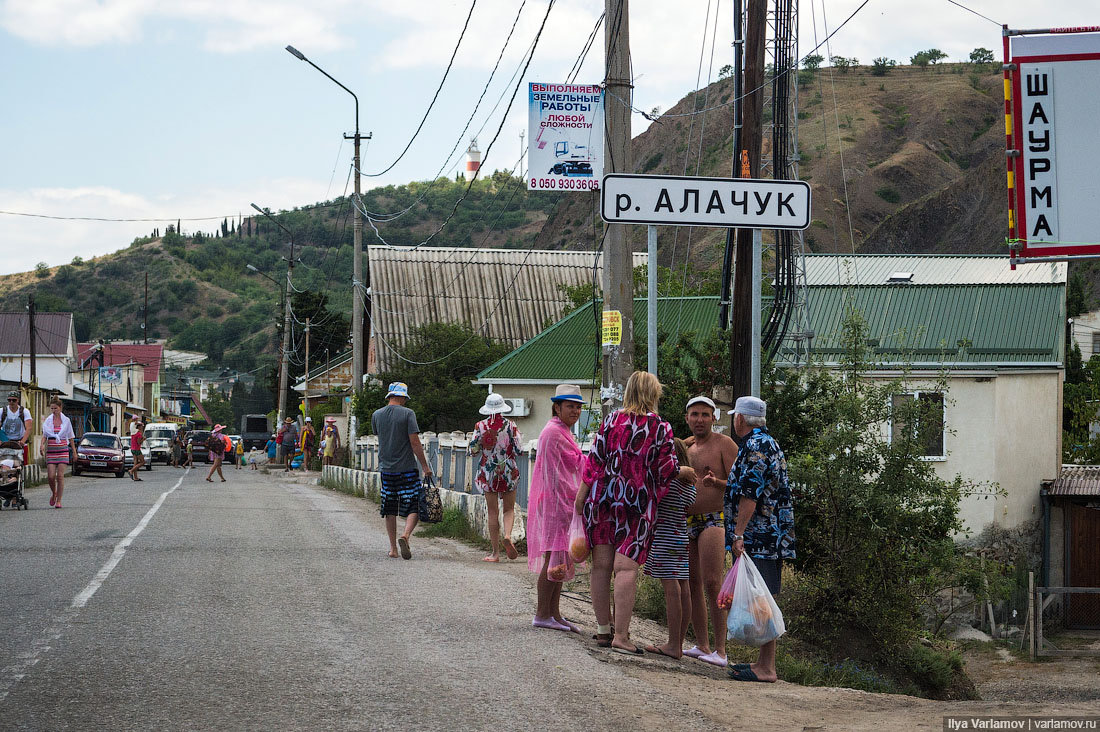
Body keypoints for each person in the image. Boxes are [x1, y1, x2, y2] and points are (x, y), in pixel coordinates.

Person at [575, 371, 692, 654]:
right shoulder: (660, 428)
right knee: (625, 568)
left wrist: (581, 499)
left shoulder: (611, 420)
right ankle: (622, 637)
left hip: (602, 500)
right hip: (636, 506)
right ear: (653, 394)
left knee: (601, 567)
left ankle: (604, 630)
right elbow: (665, 470)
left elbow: (594, 462)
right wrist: (684, 471)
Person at [724, 396, 795, 684]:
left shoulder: (755, 447)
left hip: (761, 536)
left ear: (739, 418)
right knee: (761, 598)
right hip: (769, 535)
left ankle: (767, 667)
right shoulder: (766, 443)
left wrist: (739, 534)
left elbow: (750, 494)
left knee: (763, 598)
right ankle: (763, 662)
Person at [684, 395, 740, 667]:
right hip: (688, 520)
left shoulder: (723, 444)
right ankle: (701, 644)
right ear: (687, 418)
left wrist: (715, 482)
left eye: (705, 415)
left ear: (714, 418)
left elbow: (739, 485)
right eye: (695, 414)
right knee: (692, 582)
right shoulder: (686, 447)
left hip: (713, 519)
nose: (700, 420)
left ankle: (720, 649)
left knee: (712, 583)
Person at [527, 384, 586, 632]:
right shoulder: (553, 432)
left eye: (578, 407)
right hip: (555, 502)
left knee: (560, 562)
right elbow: (554, 474)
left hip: (563, 502)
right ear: (557, 407)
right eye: (569, 406)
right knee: (553, 560)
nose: (574, 411)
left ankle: (555, 613)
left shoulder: (563, 431)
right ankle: (542, 613)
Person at [642, 438, 697, 659]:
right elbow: (690, 502)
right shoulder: (688, 484)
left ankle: (673, 644)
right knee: (683, 586)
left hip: (664, 536)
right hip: (680, 536)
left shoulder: (667, 481)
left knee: (670, 587)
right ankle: (678, 642)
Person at [371, 382, 432, 560]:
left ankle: (393, 549)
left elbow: (379, 436)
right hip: (407, 469)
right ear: (403, 397)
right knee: (413, 504)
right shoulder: (408, 414)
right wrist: (425, 466)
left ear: (390, 396)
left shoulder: (377, 415)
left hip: (386, 469)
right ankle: (405, 535)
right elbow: (414, 442)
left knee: (389, 508)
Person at [468, 393, 523, 562]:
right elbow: (519, 449)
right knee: (509, 509)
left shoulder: (480, 426)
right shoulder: (511, 426)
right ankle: (507, 535)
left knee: (492, 512)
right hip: (507, 470)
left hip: (488, 471)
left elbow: (473, 450)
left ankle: (495, 553)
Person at [39, 397, 75, 508]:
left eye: (56, 408)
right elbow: (45, 435)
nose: (54, 410)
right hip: (51, 452)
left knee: (60, 476)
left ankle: (59, 500)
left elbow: (70, 436)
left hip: (63, 451)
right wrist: (42, 445)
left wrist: (74, 451)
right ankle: (54, 492)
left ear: (60, 408)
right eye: (52, 408)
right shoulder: (48, 421)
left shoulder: (66, 421)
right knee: (50, 476)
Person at [2, 390, 33, 466]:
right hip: (5, 442)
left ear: (18, 400)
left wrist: (22, 441)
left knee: (22, 465)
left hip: (19, 442)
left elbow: (28, 428)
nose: (11, 402)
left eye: (14, 400)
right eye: (9, 400)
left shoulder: (24, 411)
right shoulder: (2, 411)